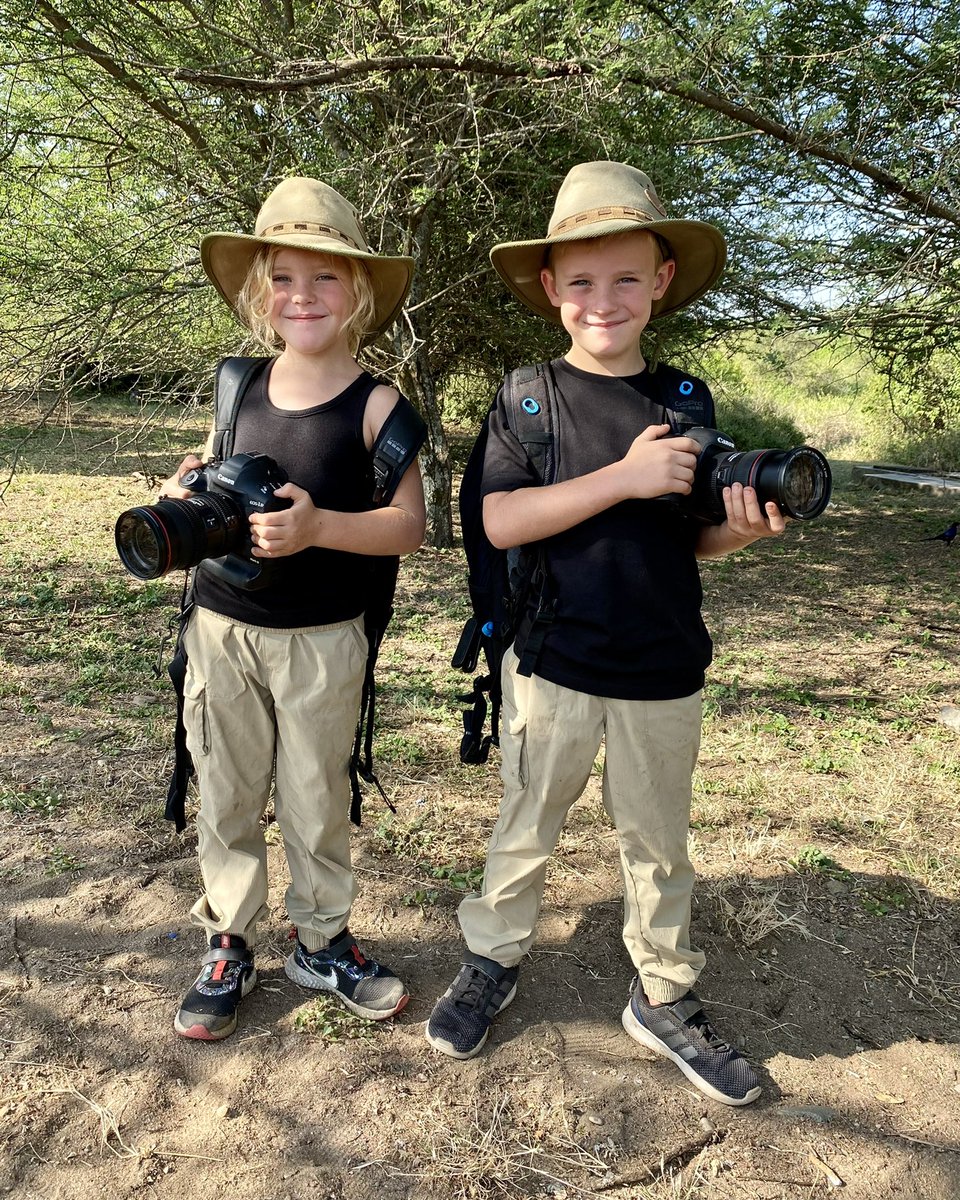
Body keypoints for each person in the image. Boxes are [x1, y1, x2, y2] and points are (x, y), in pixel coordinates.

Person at [425, 161, 785, 1105]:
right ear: (550, 290)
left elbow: (695, 539)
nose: (604, 299)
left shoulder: (686, 403)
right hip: (553, 664)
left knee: (659, 843)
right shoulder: (527, 397)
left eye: (627, 276)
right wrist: (621, 478)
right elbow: (499, 522)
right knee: (525, 825)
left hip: (665, 665)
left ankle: (663, 992)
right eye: (580, 280)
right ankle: (492, 959)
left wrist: (739, 528)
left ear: (662, 279)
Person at [160, 177, 426, 1041]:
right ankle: (228, 937)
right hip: (222, 626)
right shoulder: (236, 388)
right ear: (257, 292)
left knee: (314, 795)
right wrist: (183, 494)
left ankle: (321, 940)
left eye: (324, 279)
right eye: (282, 278)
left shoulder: (378, 406)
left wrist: (318, 527)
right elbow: (209, 472)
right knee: (228, 789)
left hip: (322, 639)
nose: (301, 297)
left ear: (358, 294)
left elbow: (408, 527)